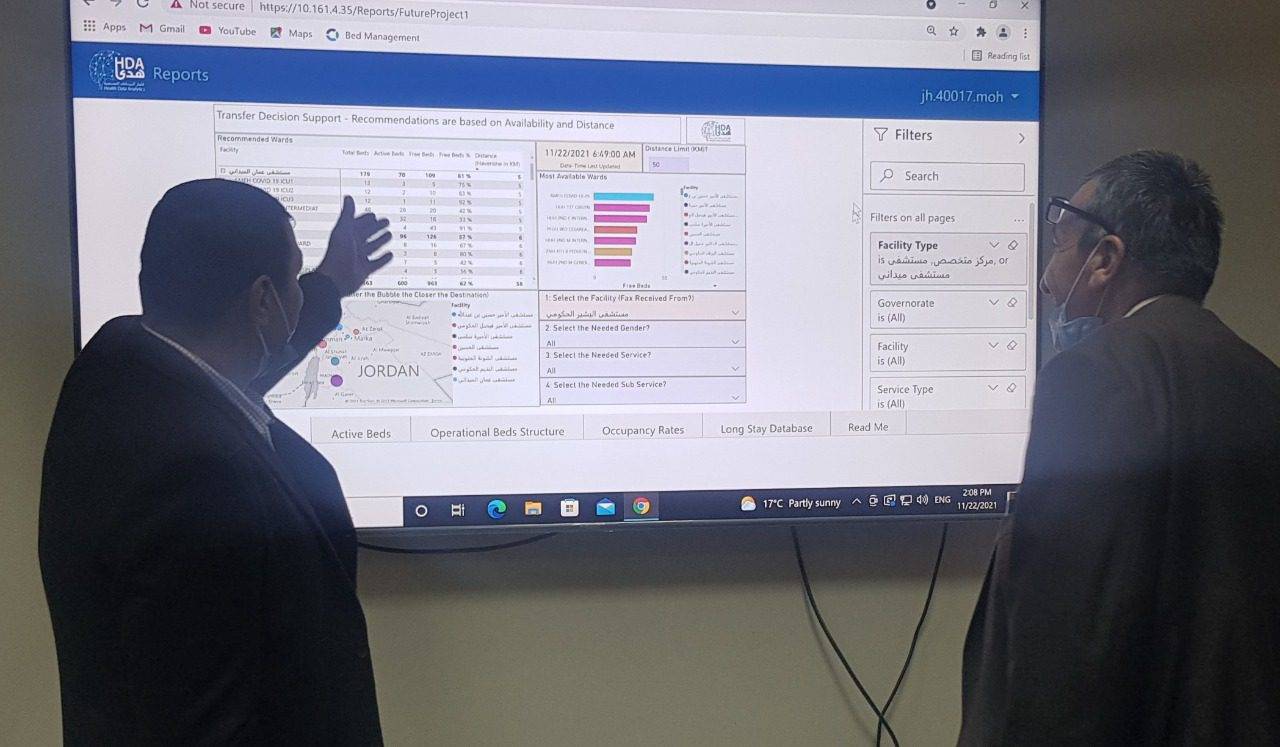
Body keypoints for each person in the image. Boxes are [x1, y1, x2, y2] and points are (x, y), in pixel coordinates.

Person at [40, 179, 394, 744]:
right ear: (262, 300)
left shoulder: (115, 372)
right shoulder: (201, 478)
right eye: (293, 279)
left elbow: (226, 374)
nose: (297, 296)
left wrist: (330, 283)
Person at [959, 151, 1280, 744]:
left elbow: (1069, 623)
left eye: (1059, 245)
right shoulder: (1263, 379)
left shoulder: (1091, 374)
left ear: (1105, 259)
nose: (1046, 280)